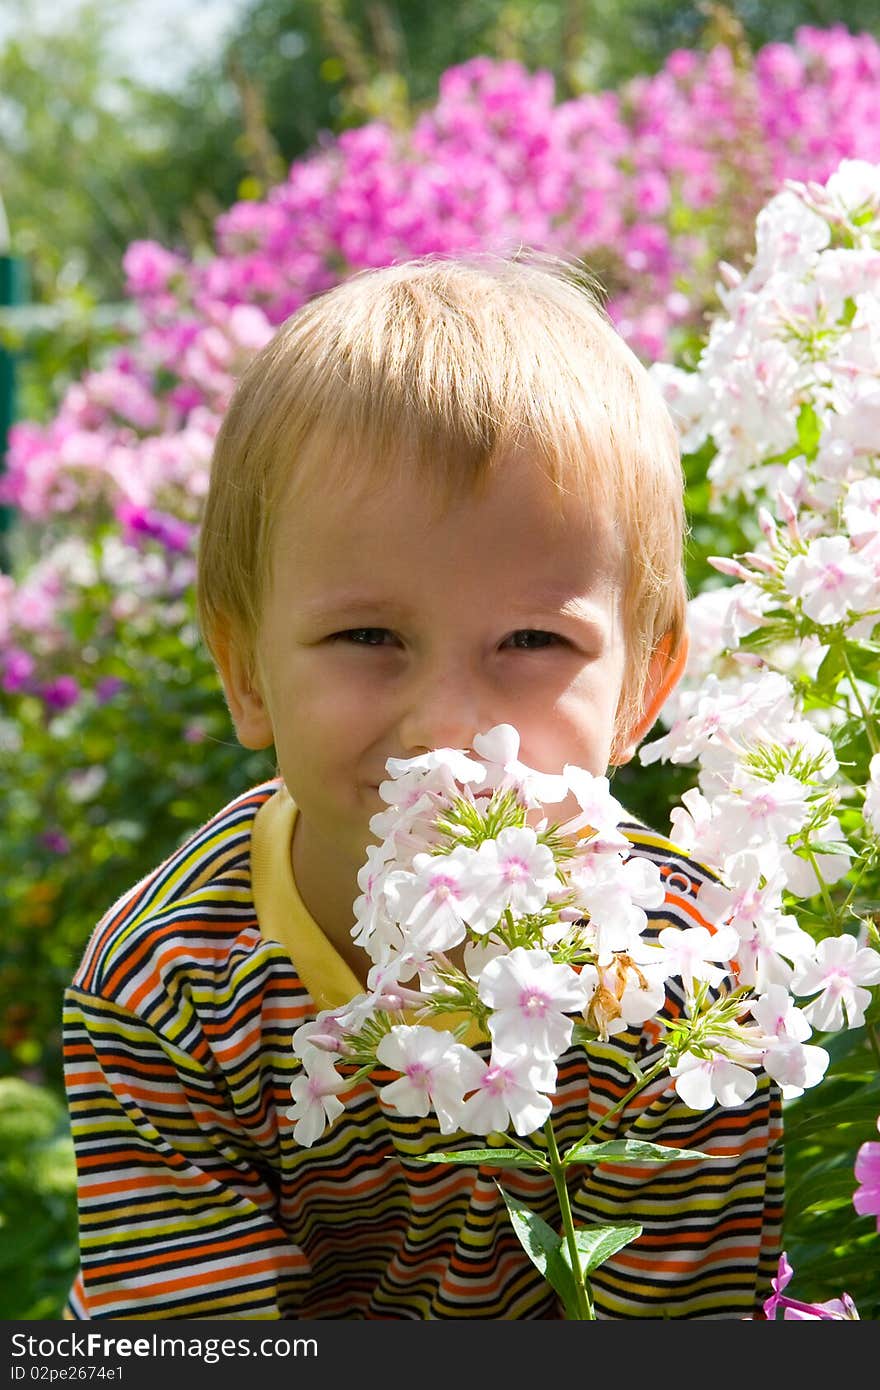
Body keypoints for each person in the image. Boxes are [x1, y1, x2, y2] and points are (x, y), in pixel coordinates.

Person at [62, 252, 782, 1320]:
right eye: (368, 635)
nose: (447, 729)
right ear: (246, 671)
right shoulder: (162, 979)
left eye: (531, 640)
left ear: (643, 688)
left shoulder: (689, 983)